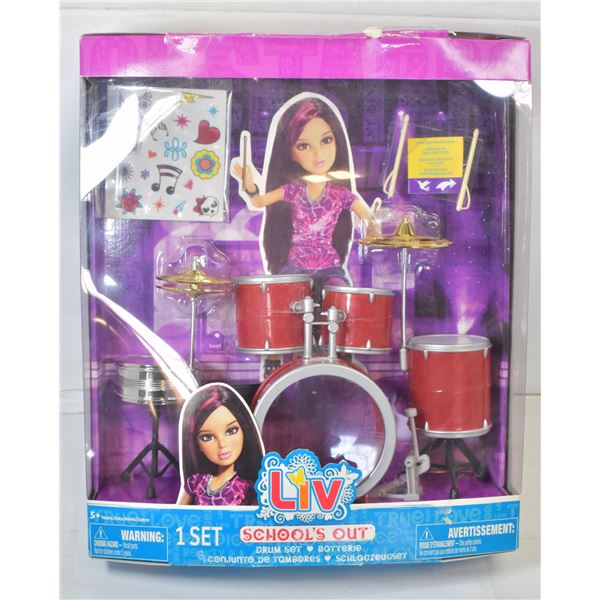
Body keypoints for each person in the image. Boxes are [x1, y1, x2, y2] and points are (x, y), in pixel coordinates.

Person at [232, 94, 379, 301]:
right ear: (291, 153)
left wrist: (373, 226)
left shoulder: (342, 195)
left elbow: (368, 217)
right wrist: (249, 185)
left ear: (337, 142)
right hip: (295, 266)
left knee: (339, 299)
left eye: (326, 140)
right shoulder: (293, 190)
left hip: (329, 267)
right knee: (284, 302)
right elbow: (258, 202)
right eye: (303, 146)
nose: (318, 154)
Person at [177, 384, 264, 506]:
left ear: (244, 431)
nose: (222, 444)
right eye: (207, 437)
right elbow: (177, 513)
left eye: (231, 431)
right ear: (197, 444)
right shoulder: (196, 482)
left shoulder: (246, 488)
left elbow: (256, 516)